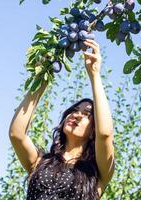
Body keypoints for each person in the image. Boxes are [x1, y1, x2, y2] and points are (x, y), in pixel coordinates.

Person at [9, 39, 115, 199]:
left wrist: (94, 74)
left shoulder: (97, 172)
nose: (77, 114)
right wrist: (42, 80)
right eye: (74, 110)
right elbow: (17, 134)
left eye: (87, 114)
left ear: (94, 129)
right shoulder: (41, 161)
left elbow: (105, 134)